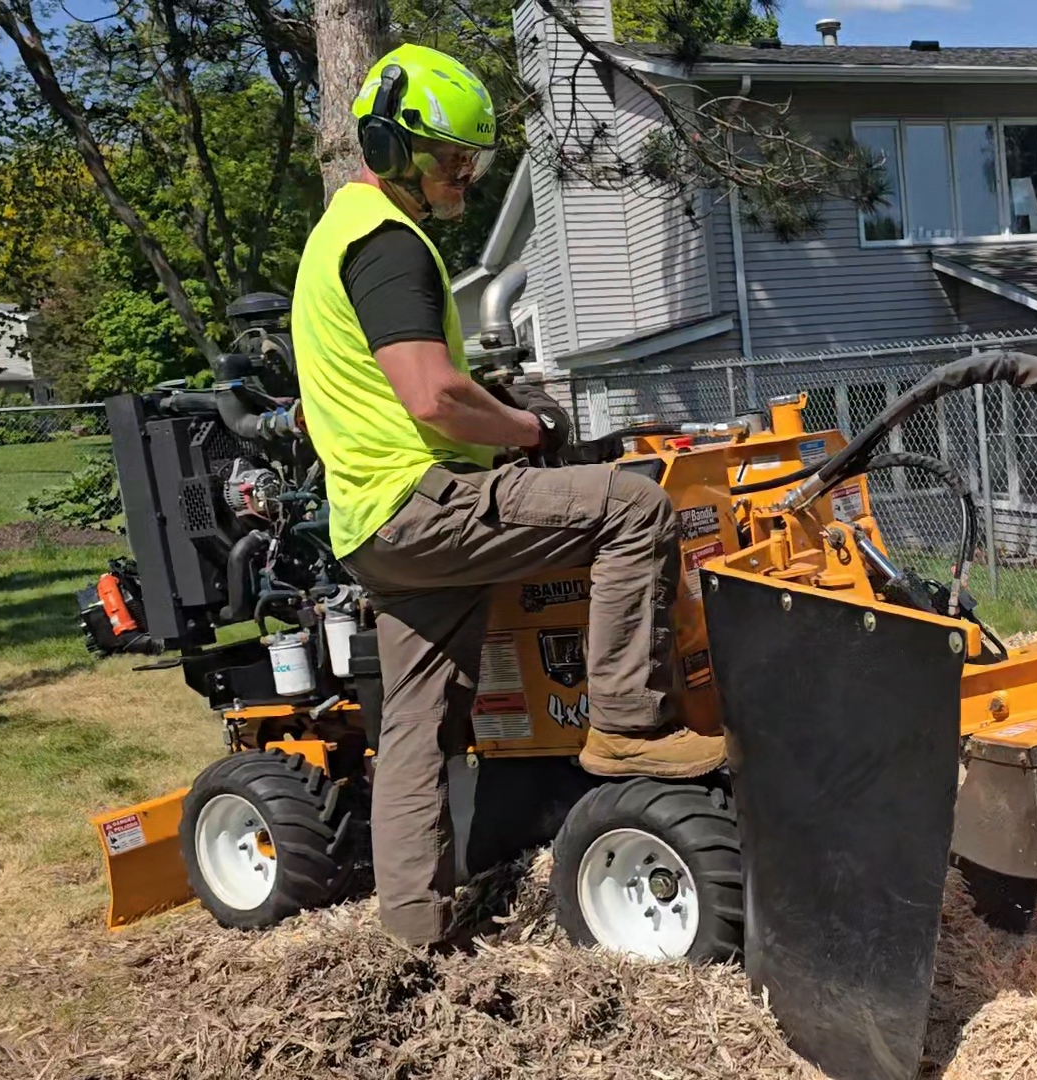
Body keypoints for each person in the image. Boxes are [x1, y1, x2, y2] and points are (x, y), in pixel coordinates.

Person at [292, 44, 726, 947]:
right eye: (453, 159)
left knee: (416, 726)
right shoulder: (383, 244)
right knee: (634, 507)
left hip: (372, 524)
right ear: (395, 146)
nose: (467, 176)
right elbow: (431, 395)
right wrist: (528, 432)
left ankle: (413, 931)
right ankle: (627, 725)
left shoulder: (332, 238)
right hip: (420, 499)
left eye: (473, 161)